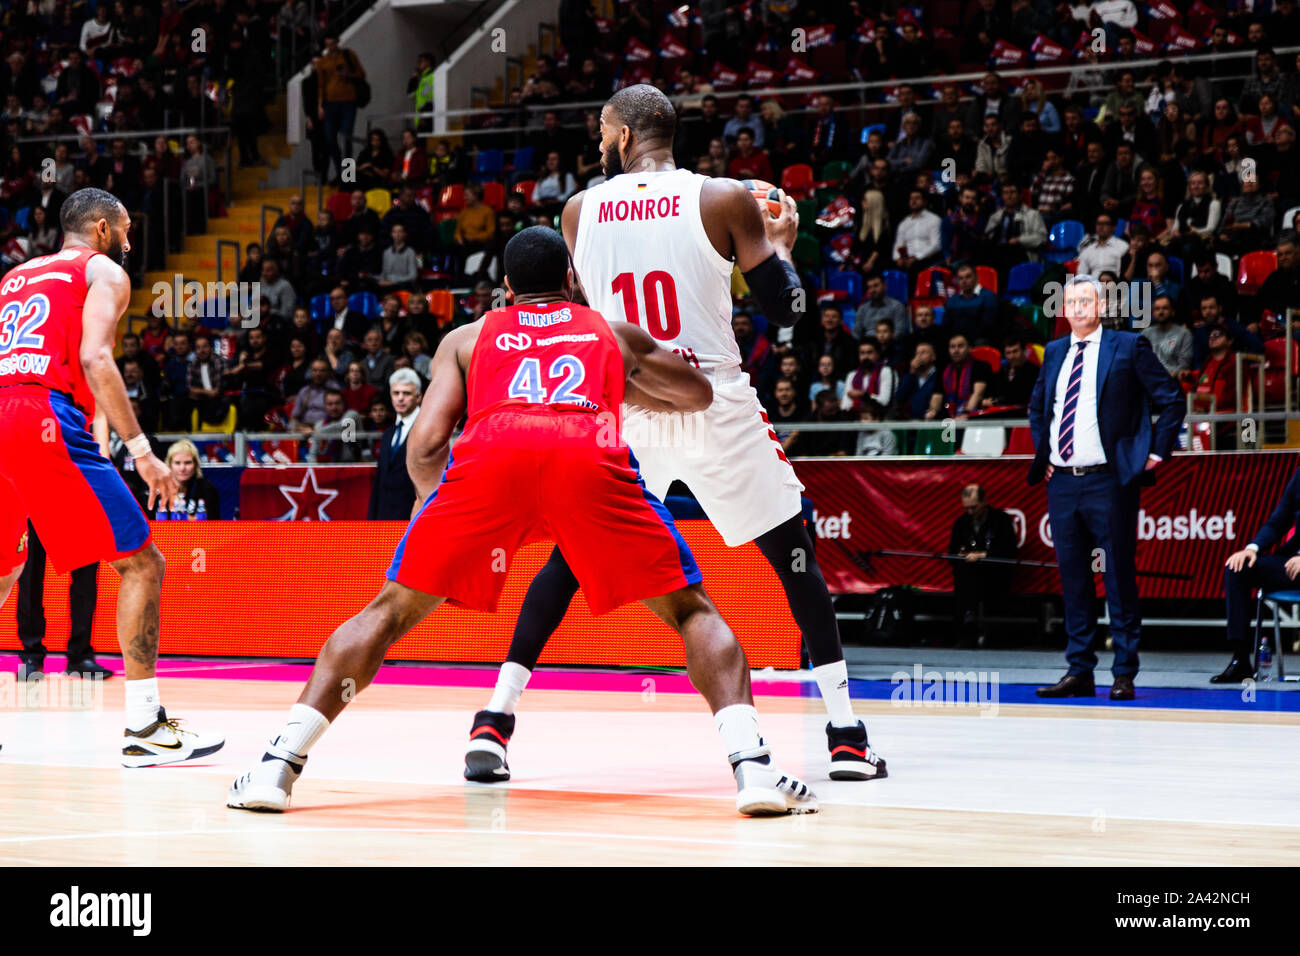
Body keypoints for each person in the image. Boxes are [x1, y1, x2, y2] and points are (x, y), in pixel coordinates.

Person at [227, 226, 817, 816]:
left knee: (385, 614)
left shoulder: (466, 337)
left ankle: (277, 767)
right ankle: (755, 772)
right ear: (571, 279)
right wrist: (621, 385)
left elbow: (426, 443)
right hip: (587, 457)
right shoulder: (611, 332)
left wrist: (430, 509)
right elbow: (697, 396)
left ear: (505, 287)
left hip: (491, 460)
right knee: (691, 611)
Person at [469, 84, 886, 783]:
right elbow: (785, 313)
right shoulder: (725, 198)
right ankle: (845, 736)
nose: (598, 142)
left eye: (603, 131)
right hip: (713, 398)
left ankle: (494, 722)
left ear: (626, 137)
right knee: (793, 560)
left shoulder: (577, 211)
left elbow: (587, 306)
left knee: (568, 563)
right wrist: (780, 243)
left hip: (624, 403)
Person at [0, 187, 223, 764]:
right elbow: (97, 359)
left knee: (7, 567)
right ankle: (146, 728)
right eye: (124, 230)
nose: (129, 242)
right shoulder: (103, 272)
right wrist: (142, 449)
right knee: (143, 562)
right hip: (42, 415)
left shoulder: (17, 275)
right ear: (100, 228)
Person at [1028, 276, 1185, 701]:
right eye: (1071, 302)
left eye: (1085, 300)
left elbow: (1171, 398)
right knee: (1074, 577)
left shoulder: (1127, 346)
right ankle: (1079, 669)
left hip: (1109, 480)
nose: (1077, 308)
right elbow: (1039, 406)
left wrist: (1154, 453)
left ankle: (1124, 672)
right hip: (1062, 482)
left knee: (1117, 575)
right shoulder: (1056, 351)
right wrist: (1044, 455)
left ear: (1100, 305)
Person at [1219, 466, 1300, 683]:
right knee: (1238, 569)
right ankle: (1240, 661)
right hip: (1293, 563)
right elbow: (1278, 520)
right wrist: (1251, 549)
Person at [948, 484, 1018, 646]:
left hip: (994, 574)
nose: (970, 512)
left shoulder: (1001, 520)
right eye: (967, 508)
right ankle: (965, 627)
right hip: (968, 575)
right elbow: (951, 554)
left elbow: (1009, 552)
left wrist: (982, 555)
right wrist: (962, 555)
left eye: (974, 507)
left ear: (984, 502)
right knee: (964, 573)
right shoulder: (961, 523)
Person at [367, 368, 423, 520]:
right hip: (385, 520)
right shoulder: (388, 434)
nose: (400, 398)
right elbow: (380, 482)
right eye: (396, 393)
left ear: (418, 397)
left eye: (406, 393)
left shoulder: (428, 430)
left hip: (415, 520)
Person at [162, 439, 221, 519]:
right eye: (177, 463)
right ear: (169, 465)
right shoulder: (160, 489)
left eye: (187, 463)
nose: (182, 468)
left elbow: (215, 526)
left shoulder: (208, 489)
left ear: (196, 464)